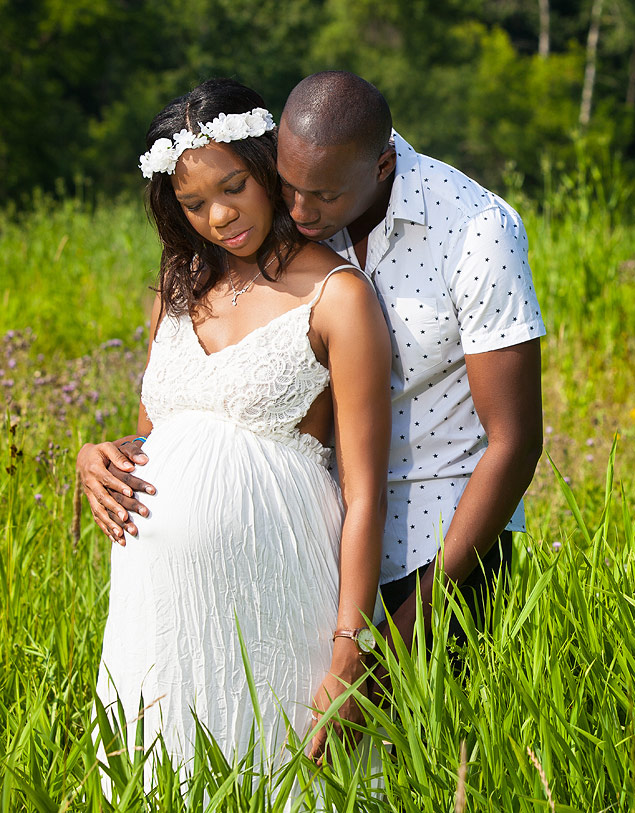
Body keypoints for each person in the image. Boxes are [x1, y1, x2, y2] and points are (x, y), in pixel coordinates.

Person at [80, 71, 546, 671]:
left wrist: (384, 644)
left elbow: (515, 441)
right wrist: (106, 454)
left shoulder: (476, 231)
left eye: (321, 196)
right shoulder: (253, 239)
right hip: (305, 552)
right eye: (288, 185)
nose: (299, 210)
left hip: (443, 545)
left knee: (430, 754)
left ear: (378, 169)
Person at [81, 78, 391, 788]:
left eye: (234, 187)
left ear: (265, 166)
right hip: (155, 607)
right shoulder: (175, 284)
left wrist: (352, 644)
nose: (218, 216)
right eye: (193, 203)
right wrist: (94, 456)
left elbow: (365, 488)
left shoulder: (337, 295)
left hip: (278, 598)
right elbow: (151, 440)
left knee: (279, 778)